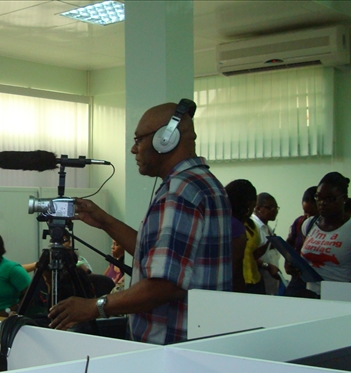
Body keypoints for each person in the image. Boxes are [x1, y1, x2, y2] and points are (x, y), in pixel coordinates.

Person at [48, 100, 232, 345]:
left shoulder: (180, 192)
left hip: (171, 347)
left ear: (166, 139)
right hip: (198, 343)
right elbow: (158, 259)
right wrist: (104, 220)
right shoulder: (204, 183)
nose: (133, 149)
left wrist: (94, 306)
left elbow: (165, 285)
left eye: (139, 140)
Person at [299, 172, 351, 295]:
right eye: (318, 197)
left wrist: (341, 295)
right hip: (311, 294)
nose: (322, 203)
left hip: (341, 296)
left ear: (344, 199)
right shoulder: (309, 224)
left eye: (330, 199)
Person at [252, 193, 283, 294]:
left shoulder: (267, 227)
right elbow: (248, 256)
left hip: (270, 285)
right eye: (270, 207)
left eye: (276, 208)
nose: (275, 211)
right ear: (258, 208)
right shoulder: (253, 226)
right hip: (258, 283)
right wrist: (267, 266)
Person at [286, 186, 318, 253]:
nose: (308, 216)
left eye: (311, 213)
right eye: (305, 212)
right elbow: (290, 243)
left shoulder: (327, 227)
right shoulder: (299, 222)